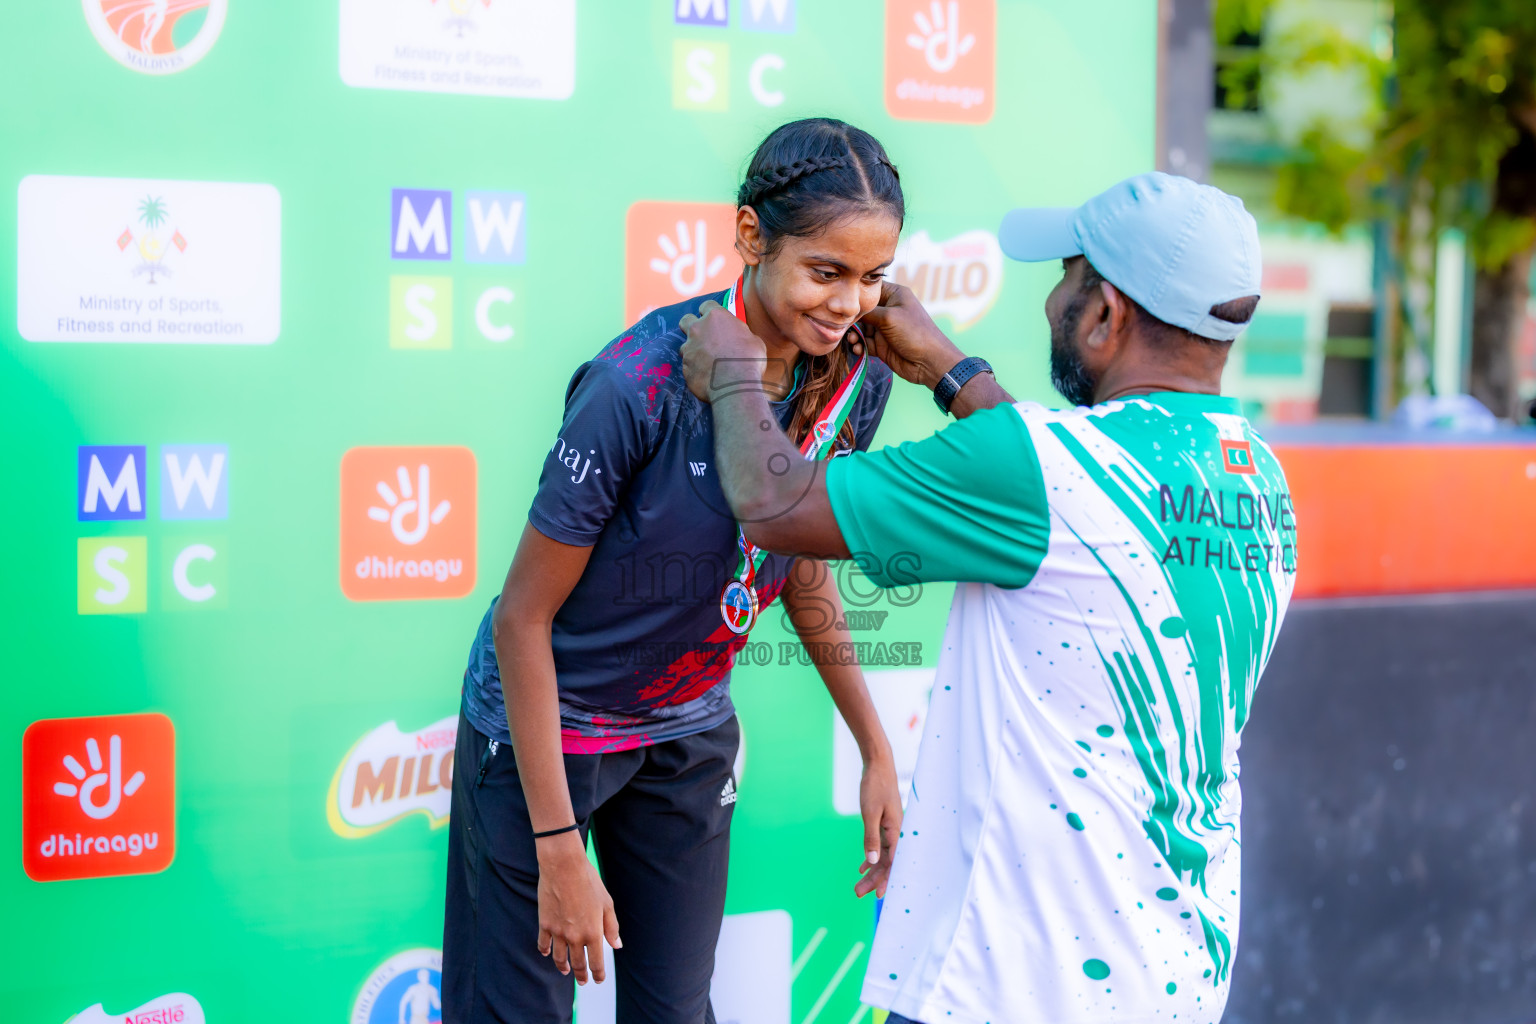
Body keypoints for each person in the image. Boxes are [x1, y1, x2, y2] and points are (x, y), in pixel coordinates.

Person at [679, 172, 1298, 1024]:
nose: (1052, 303)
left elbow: (775, 505)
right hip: (1171, 976)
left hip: (1012, 980)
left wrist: (736, 380)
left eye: (1067, 280)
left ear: (1107, 314)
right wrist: (948, 367)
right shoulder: (1259, 479)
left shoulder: (1039, 467)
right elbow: (1070, 486)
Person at [443, 117, 908, 1024]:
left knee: (674, 1009)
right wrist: (556, 847)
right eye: (826, 270)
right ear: (748, 236)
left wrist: (876, 745)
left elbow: (800, 563)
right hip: (550, 733)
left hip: (688, 729)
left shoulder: (856, 380)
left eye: (873, 276)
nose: (851, 303)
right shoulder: (636, 384)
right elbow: (521, 621)